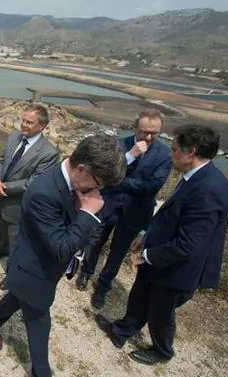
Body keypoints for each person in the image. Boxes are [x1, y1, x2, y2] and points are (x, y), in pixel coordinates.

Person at [0, 135, 126, 377]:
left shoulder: (73, 183)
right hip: (33, 271)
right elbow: (61, 247)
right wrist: (88, 214)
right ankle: (41, 371)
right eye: (98, 182)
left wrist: (79, 251)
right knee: (39, 321)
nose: (98, 191)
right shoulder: (44, 192)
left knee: (17, 298)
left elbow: (69, 237)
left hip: (43, 269)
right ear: (81, 169)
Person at [95, 125, 228, 366]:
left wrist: (147, 255)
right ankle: (122, 330)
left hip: (177, 268)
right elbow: (171, 216)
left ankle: (162, 350)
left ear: (190, 152)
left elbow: (189, 244)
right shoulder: (196, 177)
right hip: (161, 256)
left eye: (174, 149)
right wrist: (146, 234)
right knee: (140, 295)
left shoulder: (209, 190)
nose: (170, 154)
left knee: (160, 311)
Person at [77, 109, 172, 309]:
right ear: (134, 127)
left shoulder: (164, 154)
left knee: (117, 253)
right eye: (144, 131)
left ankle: (102, 287)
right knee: (95, 241)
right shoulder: (120, 145)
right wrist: (130, 156)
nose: (148, 137)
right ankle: (86, 273)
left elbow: (153, 186)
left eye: (154, 133)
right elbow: (109, 173)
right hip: (108, 205)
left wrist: (121, 182)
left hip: (135, 212)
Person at [0, 104, 58, 262]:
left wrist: (4, 187)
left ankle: (12, 270)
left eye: (29, 122)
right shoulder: (14, 136)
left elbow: (35, 181)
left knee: (16, 238)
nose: (24, 125)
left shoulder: (49, 152)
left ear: (42, 126)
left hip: (20, 203)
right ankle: (2, 248)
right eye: (23, 120)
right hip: (2, 196)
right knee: (2, 229)